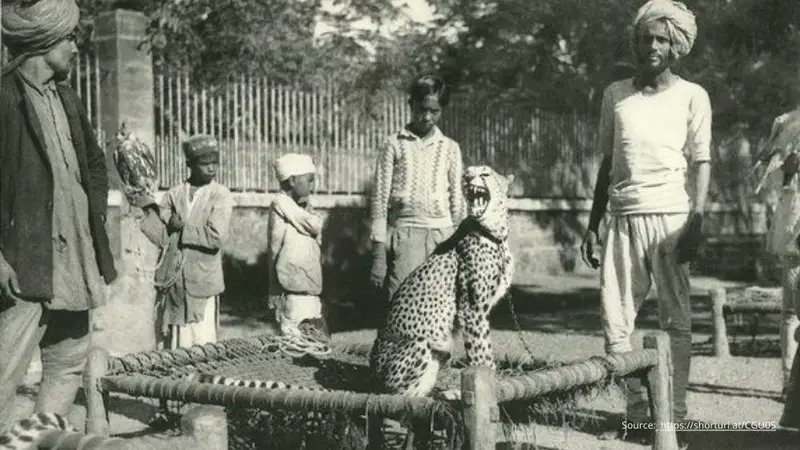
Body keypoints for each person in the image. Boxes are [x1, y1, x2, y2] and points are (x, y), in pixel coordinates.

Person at [579, 0, 710, 443]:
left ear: (676, 45)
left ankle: (673, 413)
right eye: (644, 39)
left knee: (677, 321)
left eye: (660, 39)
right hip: (621, 219)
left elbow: (702, 161)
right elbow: (606, 163)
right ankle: (637, 414)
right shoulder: (615, 94)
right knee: (616, 322)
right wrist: (593, 222)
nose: (651, 46)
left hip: (671, 218)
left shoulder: (693, 95)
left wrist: (698, 219)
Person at [0, 0, 118, 431]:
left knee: (67, 363)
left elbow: (96, 166)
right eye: (69, 37)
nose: (75, 46)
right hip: (22, 267)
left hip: (74, 264)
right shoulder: (4, 97)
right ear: (44, 41)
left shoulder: (67, 98)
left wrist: (93, 220)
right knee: (4, 374)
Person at [369, 75, 466, 299]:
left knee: (439, 309)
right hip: (406, 236)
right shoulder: (393, 144)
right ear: (411, 104)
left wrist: (461, 246)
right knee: (402, 305)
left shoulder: (450, 148)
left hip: (443, 238)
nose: (427, 117)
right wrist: (378, 255)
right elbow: (379, 201)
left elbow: (458, 203)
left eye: (435, 111)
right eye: (422, 109)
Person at [139, 135, 234, 350]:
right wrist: (147, 209)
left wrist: (182, 228)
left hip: (202, 282)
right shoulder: (173, 195)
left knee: (201, 343)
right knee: (173, 343)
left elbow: (216, 236)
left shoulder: (220, 195)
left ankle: (200, 384)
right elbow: (162, 235)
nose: (211, 168)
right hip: (174, 284)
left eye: (214, 163)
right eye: (205, 163)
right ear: (190, 164)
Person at [267, 153, 328, 338]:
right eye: (309, 180)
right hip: (294, 295)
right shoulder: (281, 202)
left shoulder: (301, 207)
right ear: (292, 180)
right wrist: (273, 290)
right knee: (297, 349)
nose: (312, 186)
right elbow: (315, 225)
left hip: (310, 293)